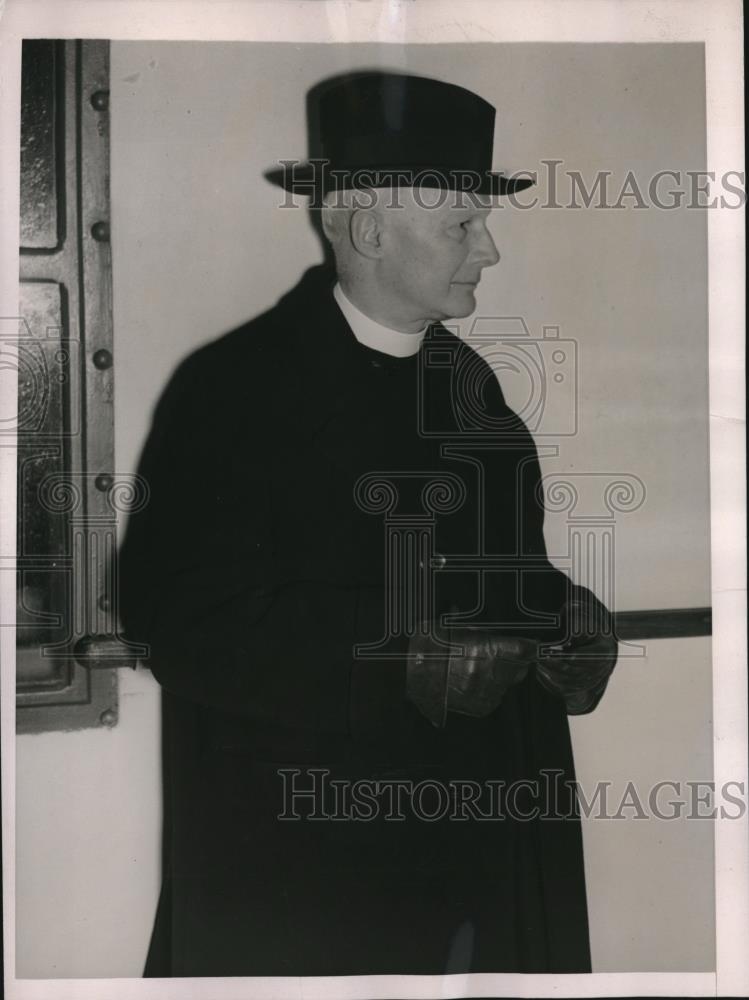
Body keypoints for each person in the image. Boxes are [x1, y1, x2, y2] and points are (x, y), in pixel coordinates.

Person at [119, 70, 618, 978]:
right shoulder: (232, 391)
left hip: (475, 851)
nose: (490, 250)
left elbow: (509, 582)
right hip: (302, 857)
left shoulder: (474, 394)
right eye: (463, 225)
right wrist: (402, 662)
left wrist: (570, 627)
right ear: (367, 229)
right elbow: (178, 620)